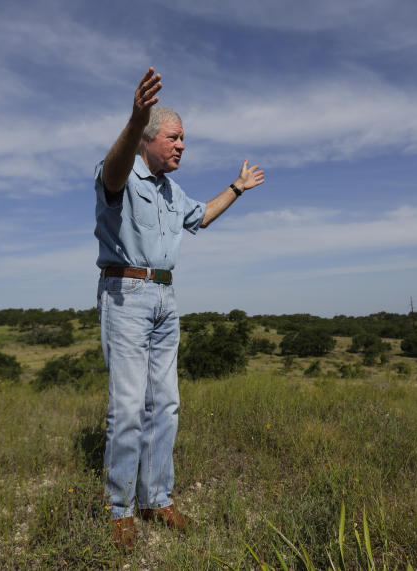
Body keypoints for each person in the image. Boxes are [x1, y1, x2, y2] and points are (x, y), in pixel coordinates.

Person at [94, 67, 265, 551]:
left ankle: (156, 498)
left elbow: (201, 217)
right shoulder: (122, 176)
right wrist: (134, 118)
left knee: (165, 403)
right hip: (126, 295)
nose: (182, 146)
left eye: (184, 139)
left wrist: (235, 188)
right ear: (148, 139)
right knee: (127, 406)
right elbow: (113, 170)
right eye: (174, 137)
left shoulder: (172, 192)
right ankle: (120, 509)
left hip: (167, 298)